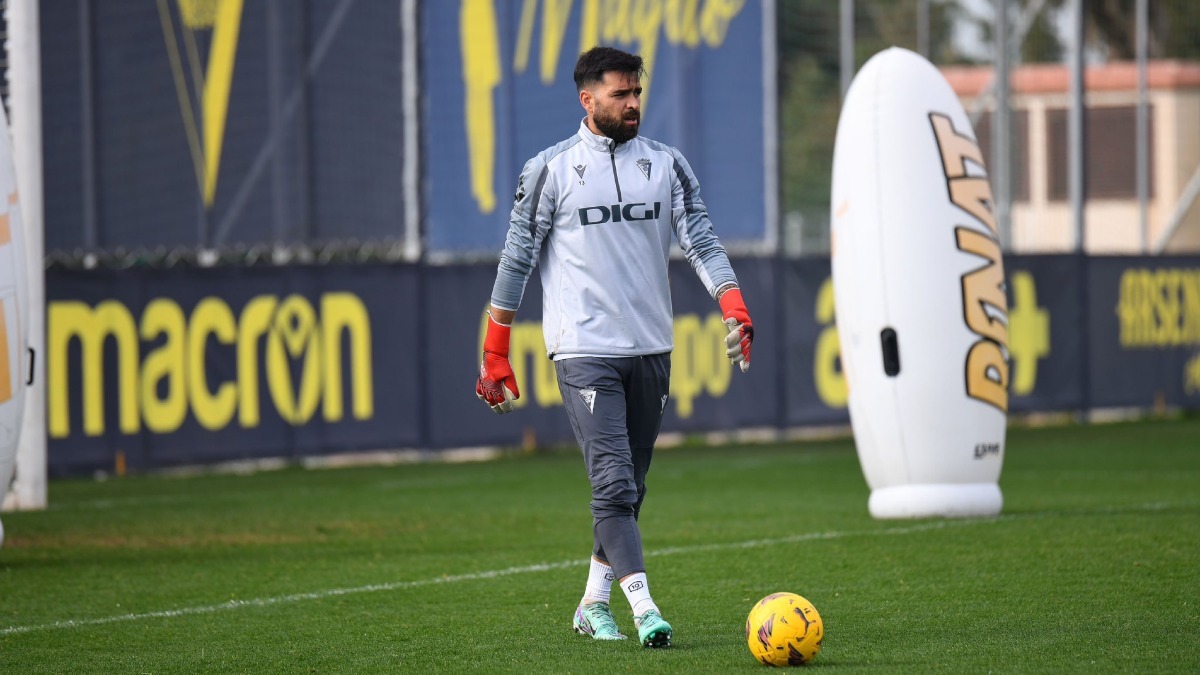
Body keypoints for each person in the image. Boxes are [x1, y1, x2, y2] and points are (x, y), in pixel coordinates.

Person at [475, 46, 754, 649]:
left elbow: (701, 240)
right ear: (588, 99)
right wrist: (495, 350)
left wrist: (734, 304)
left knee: (631, 487)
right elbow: (516, 261)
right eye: (620, 94)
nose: (632, 104)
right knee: (613, 483)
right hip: (583, 349)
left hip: (652, 346)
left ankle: (591, 604)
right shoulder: (549, 170)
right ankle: (644, 608)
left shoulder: (667, 165)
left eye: (637, 93)